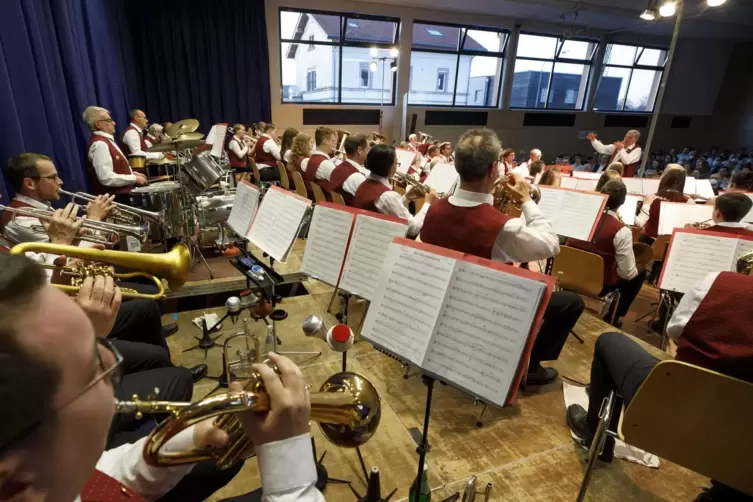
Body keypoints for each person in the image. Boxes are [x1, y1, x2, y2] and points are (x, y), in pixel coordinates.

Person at [0, 254, 324, 502]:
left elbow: (97, 482)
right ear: (16, 478)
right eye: (94, 368)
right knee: (315, 473)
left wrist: (187, 438)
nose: (114, 358)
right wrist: (292, 475)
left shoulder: (41, 479)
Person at [566, 270, 753, 501]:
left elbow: (674, 332)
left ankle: (595, 433)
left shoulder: (718, 284)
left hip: (674, 419)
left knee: (609, 341)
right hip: (744, 449)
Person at [419, 129, 585, 385]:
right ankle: (530, 367)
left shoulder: (432, 210)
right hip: (490, 306)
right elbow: (551, 244)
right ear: (493, 170)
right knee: (571, 302)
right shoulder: (503, 228)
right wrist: (528, 201)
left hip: (445, 299)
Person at [566, 181, 644, 328]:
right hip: (599, 285)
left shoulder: (579, 218)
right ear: (622, 202)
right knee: (638, 276)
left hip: (569, 275)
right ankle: (613, 317)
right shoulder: (622, 231)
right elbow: (627, 273)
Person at [1, 153, 115, 246]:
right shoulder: (19, 221)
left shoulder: (43, 206)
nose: (60, 181)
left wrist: (105, 218)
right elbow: (73, 253)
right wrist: (95, 217)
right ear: (30, 184)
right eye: (52, 177)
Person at [351, 144, 436, 238]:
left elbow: (386, 208)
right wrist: (427, 203)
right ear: (388, 166)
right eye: (396, 163)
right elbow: (413, 229)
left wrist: (406, 197)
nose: (397, 166)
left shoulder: (364, 184)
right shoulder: (388, 196)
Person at [83, 106, 148, 198]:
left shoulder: (106, 141)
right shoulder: (100, 144)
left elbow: (114, 169)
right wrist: (134, 178)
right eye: (109, 120)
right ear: (98, 124)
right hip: (116, 200)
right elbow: (106, 178)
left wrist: (131, 173)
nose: (114, 123)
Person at [636, 165, 694, 244]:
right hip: (672, 243)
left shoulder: (651, 198)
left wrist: (645, 204)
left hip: (647, 242)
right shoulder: (689, 201)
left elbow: (640, 222)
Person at [329, 134, 368, 204]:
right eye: (367, 150)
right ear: (359, 150)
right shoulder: (357, 177)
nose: (368, 154)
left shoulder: (337, 168)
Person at [301, 127, 338, 193]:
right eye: (332, 141)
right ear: (325, 141)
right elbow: (340, 183)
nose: (334, 144)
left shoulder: (309, 159)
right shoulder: (325, 164)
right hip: (326, 200)